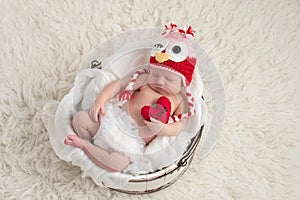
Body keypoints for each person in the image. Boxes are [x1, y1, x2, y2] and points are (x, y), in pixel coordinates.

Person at [64, 23, 197, 173]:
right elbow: (119, 85)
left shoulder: (178, 100)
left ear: (183, 82)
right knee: (80, 119)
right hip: (112, 121)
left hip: (131, 142)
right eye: (156, 74)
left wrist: (164, 128)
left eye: (169, 79)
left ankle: (85, 146)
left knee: (116, 164)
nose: (160, 81)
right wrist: (100, 100)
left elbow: (181, 124)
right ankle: (91, 143)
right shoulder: (145, 80)